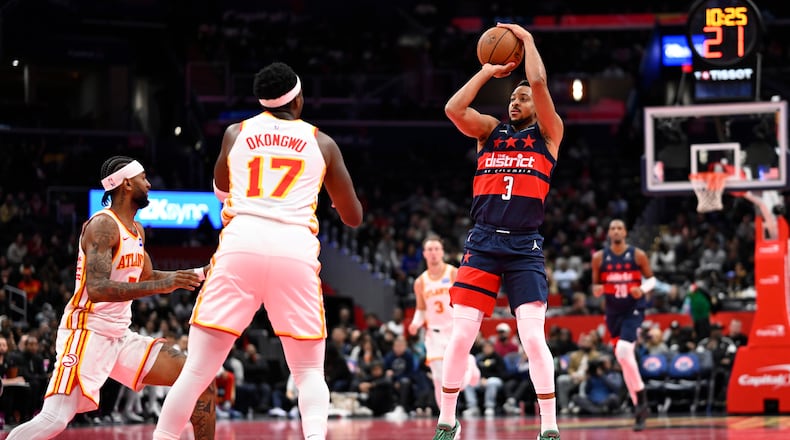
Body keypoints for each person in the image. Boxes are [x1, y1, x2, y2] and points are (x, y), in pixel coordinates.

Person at [153, 61, 362, 440]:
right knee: (309, 372)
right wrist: (330, 195)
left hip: (241, 245)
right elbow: (353, 217)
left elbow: (221, 189)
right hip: (293, 250)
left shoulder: (236, 132)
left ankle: (162, 438)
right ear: (298, 98)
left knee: (198, 369)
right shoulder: (322, 142)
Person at [7, 156, 216, 440]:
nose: (149, 183)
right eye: (144, 178)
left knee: (200, 380)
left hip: (119, 335)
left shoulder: (136, 230)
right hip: (87, 332)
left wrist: (199, 273)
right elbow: (97, 288)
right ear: (127, 184)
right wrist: (166, 284)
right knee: (54, 418)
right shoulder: (103, 226)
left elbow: (146, 276)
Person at [432, 22, 564, 440]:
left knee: (532, 337)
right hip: (484, 241)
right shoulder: (489, 132)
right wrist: (490, 70)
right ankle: (447, 420)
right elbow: (454, 109)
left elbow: (539, 80)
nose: (516, 101)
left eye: (522, 98)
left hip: (525, 246)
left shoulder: (548, 136)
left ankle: (549, 427)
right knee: (460, 337)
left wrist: (525, 42)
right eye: (513, 97)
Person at [591, 219, 656, 431]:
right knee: (623, 358)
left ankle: (641, 399)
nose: (616, 231)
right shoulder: (599, 258)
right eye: (612, 228)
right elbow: (596, 285)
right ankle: (639, 405)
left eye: (620, 227)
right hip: (613, 313)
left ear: (625, 232)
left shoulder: (638, 255)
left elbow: (652, 280)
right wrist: (597, 290)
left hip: (633, 309)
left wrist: (643, 290)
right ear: (608, 233)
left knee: (624, 349)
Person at [407, 236, 480, 413]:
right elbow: (421, 308)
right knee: (438, 380)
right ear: (424, 254)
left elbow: (466, 300)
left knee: (457, 382)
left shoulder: (453, 273)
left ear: (442, 252)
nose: (433, 253)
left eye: (436, 249)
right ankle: (447, 422)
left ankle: (469, 363)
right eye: (429, 250)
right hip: (434, 333)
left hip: (454, 329)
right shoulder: (420, 282)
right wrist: (415, 323)